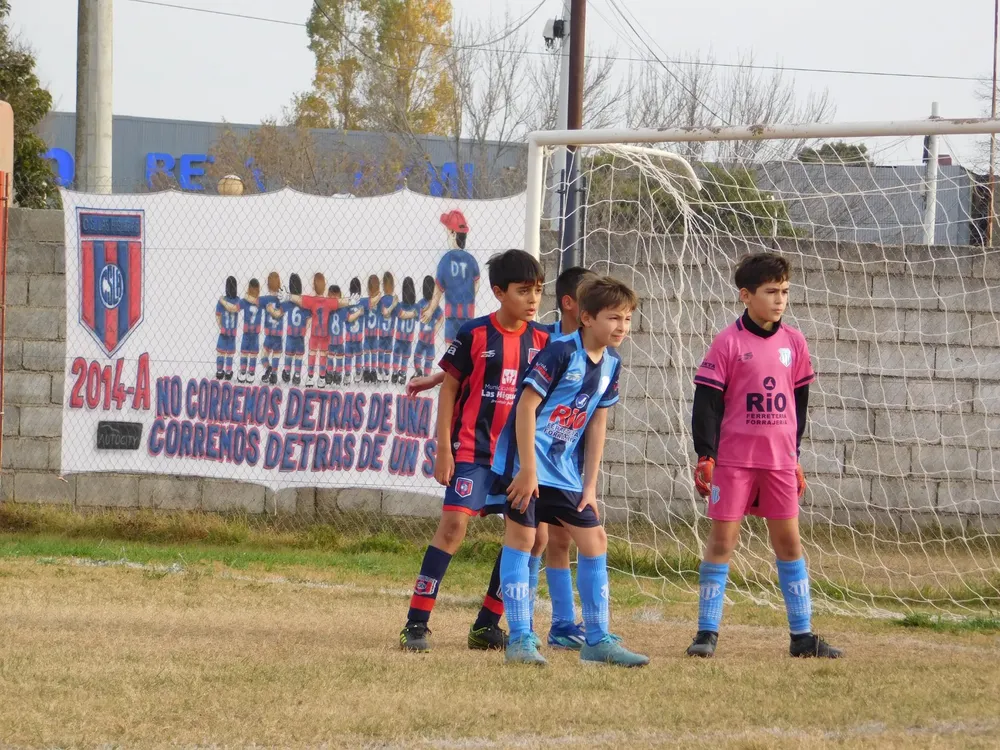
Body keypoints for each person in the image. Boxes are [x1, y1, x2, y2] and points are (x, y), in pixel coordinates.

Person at [687, 252, 843, 659]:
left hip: (778, 462)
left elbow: (799, 404)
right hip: (734, 461)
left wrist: (794, 455)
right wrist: (706, 453)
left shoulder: (795, 343)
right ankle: (706, 633)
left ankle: (802, 636)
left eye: (785, 291)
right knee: (723, 541)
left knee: (789, 542)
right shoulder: (728, 342)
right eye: (771, 291)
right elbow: (706, 403)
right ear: (746, 295)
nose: (780, 299)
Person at [492, 275, 648, 667]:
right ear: (587, 317)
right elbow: (525, 407)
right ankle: (521, 639)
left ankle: (596, 640)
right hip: (525, 463)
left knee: (594, 541)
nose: (622, 327)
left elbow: (597, 422)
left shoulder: (612, 363)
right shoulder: (560, 351)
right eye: (614, 318)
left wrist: (590, 485)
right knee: (524, 540)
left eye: (627, 319)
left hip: (564, 472)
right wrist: (526, 469)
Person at [399, 249, 550, 653]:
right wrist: (442, 450)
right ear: (499, 293)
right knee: (453, 529)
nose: (534, 299)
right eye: (524, 291)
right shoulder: (474, 333)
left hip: (519, 464)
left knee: (531, 539)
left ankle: (486, 624)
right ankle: (416, 623)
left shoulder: (545, 340)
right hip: (472, 453)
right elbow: (451, 387)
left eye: (538, 290)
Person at [424, 210, 480, 345]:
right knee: (466, 348)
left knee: (451, 349)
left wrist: (431, 309)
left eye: (447, 232)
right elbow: (476, 284)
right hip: (468, 312)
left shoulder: (445, 261)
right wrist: (468, 296)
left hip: (452, 313)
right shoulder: (471, 260)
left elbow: (438, 291)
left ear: (453, 233)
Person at [293, 273, 340, 389]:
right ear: (325, 286)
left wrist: (288, 296)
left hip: (314, 334)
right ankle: (322, 378)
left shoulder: (311, 300)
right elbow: (341, 302)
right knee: (323, 355)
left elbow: (299, 299)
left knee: (312, 353)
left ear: (313, 286)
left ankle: (310, 377)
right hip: (324, 335)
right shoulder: (329, 302)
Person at [280, 274, 308, 386]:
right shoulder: (304, 303)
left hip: (291, 333)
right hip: (300, 333)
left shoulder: (288, 302)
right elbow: (309, 316)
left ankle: (287, 372)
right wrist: (306, 326)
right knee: (299, 355)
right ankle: (297, 375)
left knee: (289, 354)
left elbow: (280, 311)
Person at [413, 275, 443, 378]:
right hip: (430, 338)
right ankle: (426, 376)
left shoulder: (420, 303)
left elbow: (415, 317)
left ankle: (418, 372)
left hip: (422, 337)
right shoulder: (435, 305)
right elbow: (441, 317)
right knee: (429, 358)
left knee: (417, 355)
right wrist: (436, 328)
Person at [392, 277, 419, 384]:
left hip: (399, 336)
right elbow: (417, 318)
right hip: (409, 337)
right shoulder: (416, 306)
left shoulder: (399, 305)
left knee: (396, 355)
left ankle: (394, 373)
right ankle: (402, 374)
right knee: (405, 357)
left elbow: (399, 315)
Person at [259, 272, 284, 385]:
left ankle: (268, 367)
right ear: (279, 284)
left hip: (269, 334)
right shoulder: (282, 300)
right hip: (278, 334)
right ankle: (274, 373)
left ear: (268, 285)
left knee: (264, 354)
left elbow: (255, 301)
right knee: (276, 354)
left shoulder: (265, 299)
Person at [215, 275, 239, 381]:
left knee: (221, 352)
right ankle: (228, 372)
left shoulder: (222, 301)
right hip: (232, 331)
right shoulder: (238, 300)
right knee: (230, 353)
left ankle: (219, 372)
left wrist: (221, 326)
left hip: (224, 330)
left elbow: (218, 315)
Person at [377, 272, 399, 382]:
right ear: (393, 285)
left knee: (381, 351)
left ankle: (380, 371)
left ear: (383, 286)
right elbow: (398, 314)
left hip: (381, 332)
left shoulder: (381, 301)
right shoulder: (395, 301)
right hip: (390, 332)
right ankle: (386, 372)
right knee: (388, 352)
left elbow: (381, 313)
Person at [325, 285, 346, 385]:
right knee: (339, 357)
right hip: (339, 340)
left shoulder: (327, 310)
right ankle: (337, 374)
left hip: (330, 340)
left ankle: (329, 374)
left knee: (330, 356)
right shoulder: (342, 310)